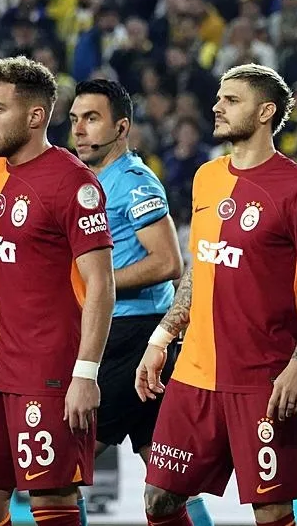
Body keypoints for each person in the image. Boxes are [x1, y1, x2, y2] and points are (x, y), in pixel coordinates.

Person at [136, 63, 297, 526]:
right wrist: (161, 338)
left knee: (271, 508)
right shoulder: (206, 177)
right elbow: (200, 266)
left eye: (231, 100)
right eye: (218, 98)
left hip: (262, 378)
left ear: (265, 112)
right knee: (159, 499)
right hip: (194, 374)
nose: (217, 107)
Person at [0, 56, 115, 526]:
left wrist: (85, 374)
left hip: (48, 373)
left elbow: (101, 285)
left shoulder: (72, 182)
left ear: (35, 116)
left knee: (52, 500)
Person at [69, 79, 213, 526]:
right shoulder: (90, 181)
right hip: (129, 336)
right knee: (166, 485)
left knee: (61, 470)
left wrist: (95, 286)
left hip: (132, 335)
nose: (79, 129)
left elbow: (168, 261)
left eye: (92, 118)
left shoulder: (133, 182)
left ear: (121, 127)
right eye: (74, 119)